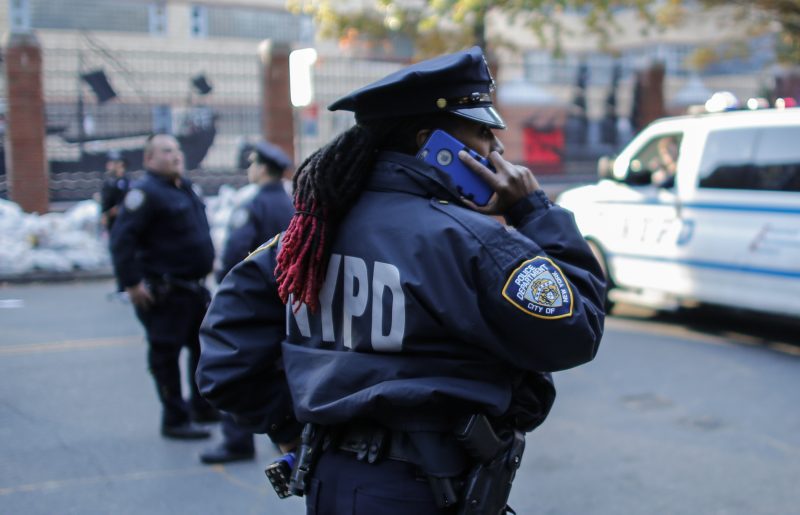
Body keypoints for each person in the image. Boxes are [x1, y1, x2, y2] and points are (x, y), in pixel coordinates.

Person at [197, 47, 605, 514]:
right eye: (480, 131)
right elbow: (579, 328)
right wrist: (534, 210)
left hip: (330, 483)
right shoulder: (469, 239)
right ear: (431, 143)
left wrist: (299, 431)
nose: (496, 148)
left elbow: (225, 363)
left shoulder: (303, 238)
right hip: (422, 490)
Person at [111, 133, 218, 440]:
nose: (176, 156)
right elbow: (122, 240)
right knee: (166, 356)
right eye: (167, 151)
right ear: (149, 159)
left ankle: (202, 406)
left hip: (193, 289)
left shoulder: (182, 187)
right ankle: (175, 418)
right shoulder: (145, 193)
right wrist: (131, 283)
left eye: (177, 150)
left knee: (203, 351)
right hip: (167, 292)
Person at [199, 140, 294, 464]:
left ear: (263, 169)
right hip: (291, 301)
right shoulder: (290, 202)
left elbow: (234, 255)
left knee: (243, 364)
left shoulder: (252, 205)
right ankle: (286, 430)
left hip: (257, 299)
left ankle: (237, 440)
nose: (249, 169)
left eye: (253, 164)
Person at [99, 150, 129, 231]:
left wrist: (107, 214)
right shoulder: (110, 182)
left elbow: (124, 206)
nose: (108, 166)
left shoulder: (124, 183)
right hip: (111, 226)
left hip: (120, 226)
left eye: (111, 162)